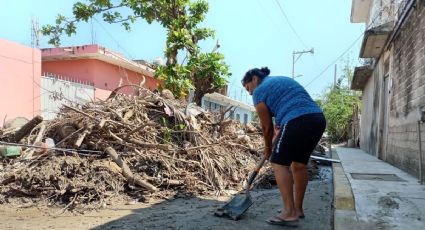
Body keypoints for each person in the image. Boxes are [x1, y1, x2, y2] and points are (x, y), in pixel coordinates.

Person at [242, 67, 326, 226]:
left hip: (296, 119)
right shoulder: (281, 80)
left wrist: (268, 149)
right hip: (317, 119)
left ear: (254, 79)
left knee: (279, 163)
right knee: (298, 165)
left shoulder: (260, 90)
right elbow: (278, 124)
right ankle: (298, 209)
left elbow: (266, 127)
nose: (249, 93)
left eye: (248, 88)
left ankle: (289, 212)